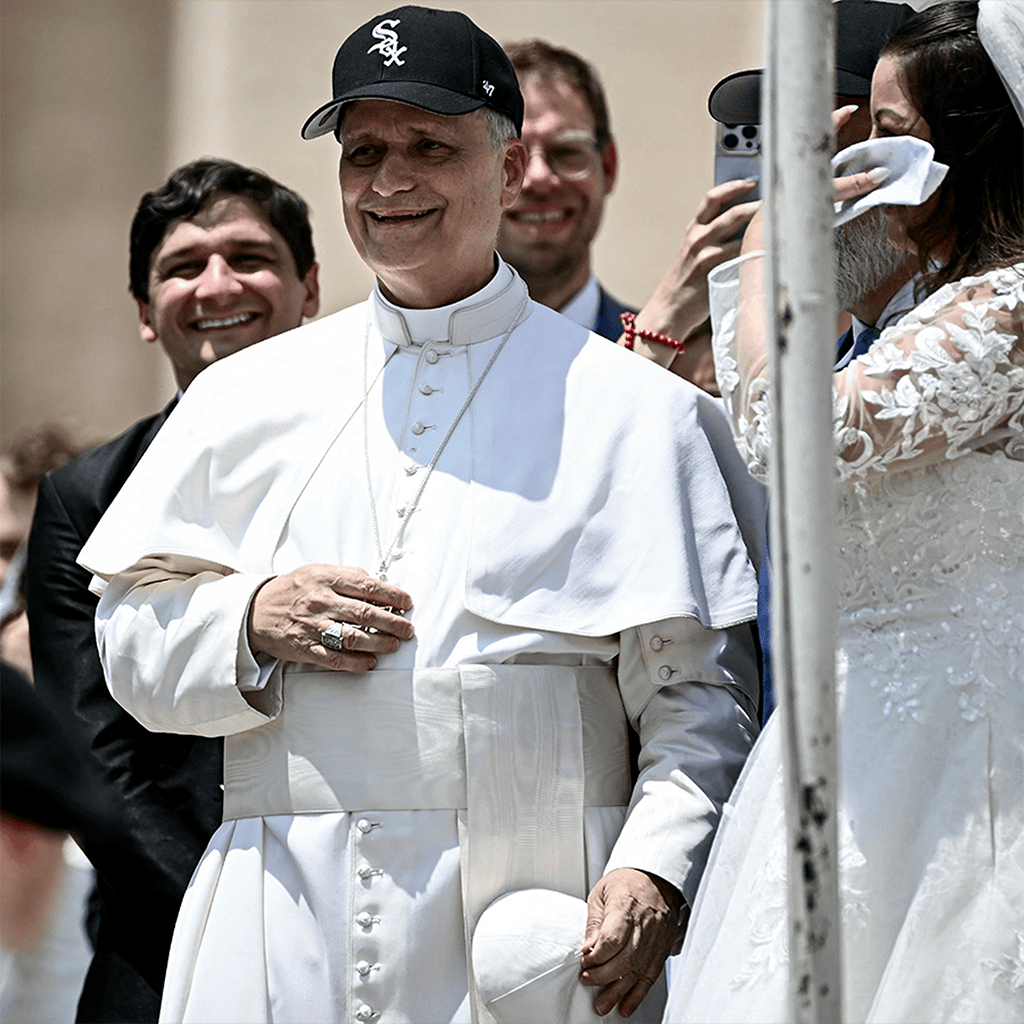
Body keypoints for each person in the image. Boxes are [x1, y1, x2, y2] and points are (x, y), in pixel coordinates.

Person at [78, 7, 766, 1022]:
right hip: (283, 913)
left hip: (543, 911)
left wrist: (655, 866)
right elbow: (129, 640)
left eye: (430, 147)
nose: (389, 182)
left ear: (510, 163)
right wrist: (246, 618)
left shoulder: (638, 410)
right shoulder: (238, 399)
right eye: (363, 153)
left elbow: (696, 693)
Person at [664, 2, 1023, 1021]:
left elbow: (791, 435)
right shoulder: (948, 301)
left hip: (958, 752)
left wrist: (770, 246)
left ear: (965, 149)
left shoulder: (1010, 309)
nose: (860, 161)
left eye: (889, 134)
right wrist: (839, 249)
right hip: (854, 733)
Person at [25, 157, 320, 1024]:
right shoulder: (84, 498)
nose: (217, 285)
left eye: (249, 258)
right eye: (183, 266)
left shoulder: (396, 460)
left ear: (309, 286)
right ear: (145, 313)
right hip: (164, 949)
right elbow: (95, 758)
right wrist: (232, 928)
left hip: (376, 930)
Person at [626, 0, 917, 720]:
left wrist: (757, 260)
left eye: (824, 144)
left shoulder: (967, 337)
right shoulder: (793, 354)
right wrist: (665, 320)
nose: (791, 185)